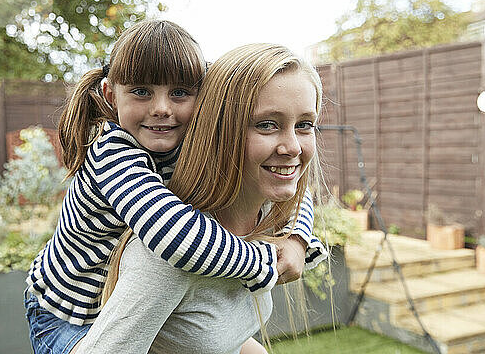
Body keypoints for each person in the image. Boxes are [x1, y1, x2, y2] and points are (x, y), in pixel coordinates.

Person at [24, 21, 326, 354]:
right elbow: (174, 236)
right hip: (67, 313)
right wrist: (263, 263)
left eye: (180, 92)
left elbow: (298, 190)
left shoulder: (181, 143)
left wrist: (297, 240)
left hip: (122, 304)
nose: (162, 108)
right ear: (111, 94)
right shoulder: (113, 151)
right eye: (141, 91)